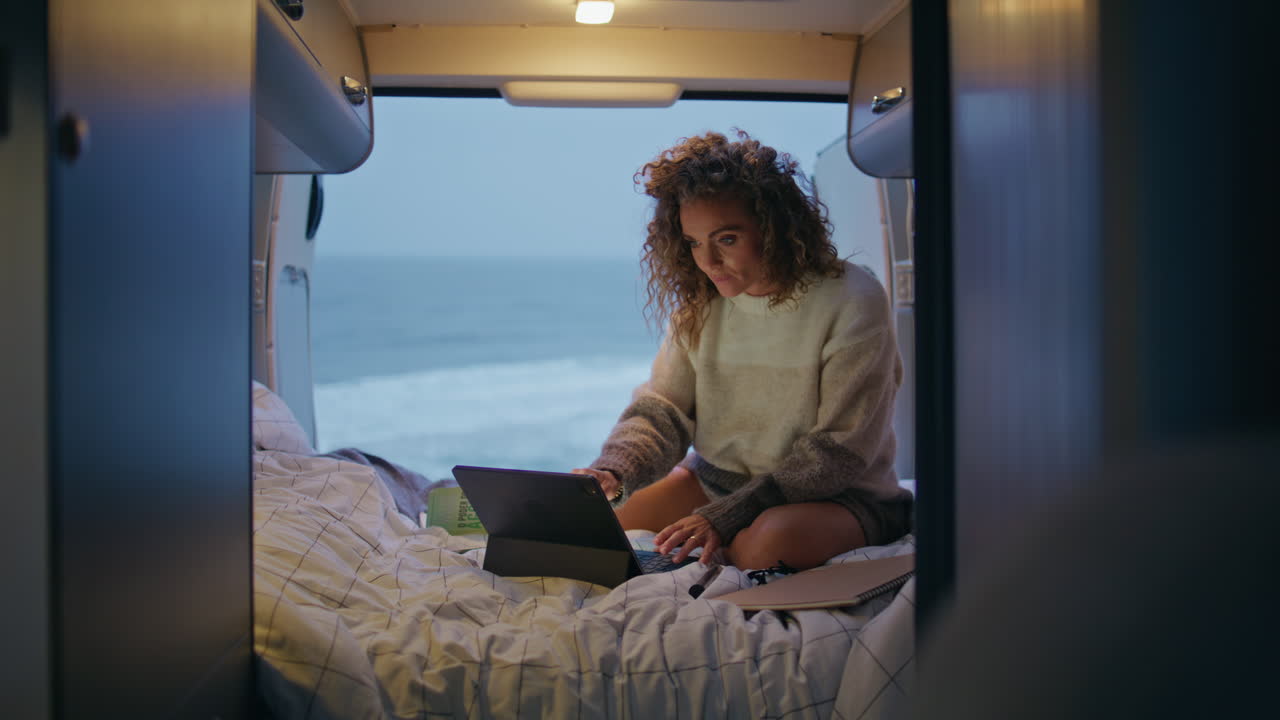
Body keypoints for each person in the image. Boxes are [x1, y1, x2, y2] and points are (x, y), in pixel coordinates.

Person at [573, 130, 911, 571]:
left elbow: (837, 452)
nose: (708, 262)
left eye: (727, 239)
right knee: (598, 522)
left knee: (764, 548)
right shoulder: (701, 305)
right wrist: (614, 472)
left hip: (838, 495)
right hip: (717, 483)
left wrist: (729, 518)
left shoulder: (852, 299)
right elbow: (663, 412)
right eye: (694, 243)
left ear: (775, 227)